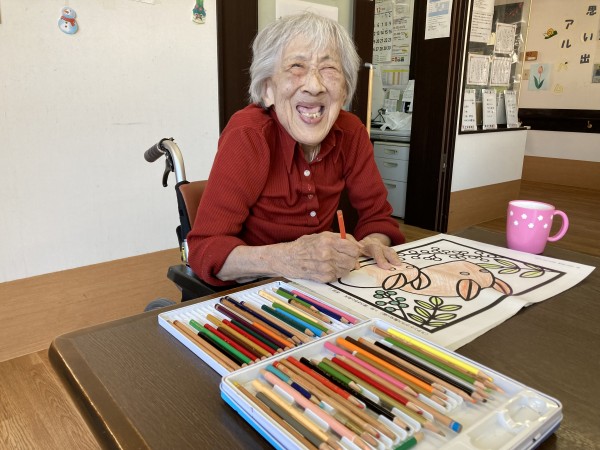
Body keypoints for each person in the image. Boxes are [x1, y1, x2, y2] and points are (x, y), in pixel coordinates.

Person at [187, 12, 405, 287]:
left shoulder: (351, 132)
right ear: (268, 89)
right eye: (296, 66)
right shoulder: (249, 134)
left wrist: (373, 242)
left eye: (329, 68)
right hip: (254, 288)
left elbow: (377, 217)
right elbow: (204, 248)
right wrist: (288, 259)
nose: (314, 86)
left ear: (344, 90)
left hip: (322, 286)